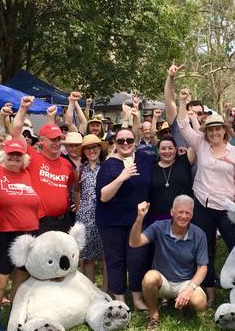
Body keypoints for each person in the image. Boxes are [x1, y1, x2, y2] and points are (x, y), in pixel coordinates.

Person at [177, 101, 235, 306]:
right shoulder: (201, 145)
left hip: (227, 209)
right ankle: (209, 293)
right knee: (205, 250)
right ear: (206, 132)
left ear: (224, 130)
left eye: (218, 129)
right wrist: (181, 98)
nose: (214, 133)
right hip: (203, 205)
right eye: (211, 129)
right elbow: (182, 124)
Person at [0, 139, 40, 331]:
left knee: (21, 278)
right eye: (11, 153)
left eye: (19, 154)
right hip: (1, 233)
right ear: (3, 155)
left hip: (28, 233)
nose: (15, 157)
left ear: (24, 157)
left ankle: (15, 318)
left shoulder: (27, 174)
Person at [130, 196, 208, 331]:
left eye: (187, 213)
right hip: (163, 281)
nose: (184, 216)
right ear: (172, 212)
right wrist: (139, 218)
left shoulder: (199, 234)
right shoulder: (159, 227)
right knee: (149, 278)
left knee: (200, 303)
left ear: (192, 215)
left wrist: (189, 290)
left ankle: (183, 305)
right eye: (180, 212)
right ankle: (154, 315)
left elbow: (203, 268)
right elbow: (134, 242)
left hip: (185, 282)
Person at [96, 128, 153, 310]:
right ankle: (120, 300)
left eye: (129, 140)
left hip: (138, 220)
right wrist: (122, 177)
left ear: (135, 141)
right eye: (121, 141)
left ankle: (137, 299)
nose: (126, 144)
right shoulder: (109, 165)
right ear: (115, 144)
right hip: (112, 222)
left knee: (137, 259)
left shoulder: (145, 159)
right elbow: (103, 196)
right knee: (116, 260)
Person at [11, 96, 76, 234]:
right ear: (41, 141)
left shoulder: (66, 164)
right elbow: (16, 132)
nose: (57, 143)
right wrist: (23, 108)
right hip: (42, 222)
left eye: (59, 139)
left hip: (64, 221)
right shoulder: (33, 157)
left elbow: (74, 186)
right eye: (53, 139)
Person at [74, 134, 108, 290]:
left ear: (100, 149)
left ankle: (106, 291)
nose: (91, 151)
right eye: (87, 148)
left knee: (106, 256)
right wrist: (79, 208)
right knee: (87, 258)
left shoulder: (107, 166)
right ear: (83, 152)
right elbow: (76, 190)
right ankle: (90, 291)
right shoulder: (80, 169)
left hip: (104, 215)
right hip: (85, 218)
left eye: (94, 147)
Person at [149, 135, 194, 223]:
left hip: (183, 217)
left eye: (170, 148)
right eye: (163, 148)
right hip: (158, 220)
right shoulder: (152, 169)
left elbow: (198, 141)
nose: (167, 151)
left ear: (175, 149)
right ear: (158, 151)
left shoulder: (184, 161)